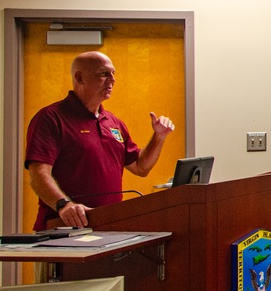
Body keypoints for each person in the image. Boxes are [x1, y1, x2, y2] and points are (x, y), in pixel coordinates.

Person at [25, 51, 175, 230]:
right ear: (79, 78)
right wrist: (64, 205)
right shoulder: (51, 118)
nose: (112, 80)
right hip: (63, 229)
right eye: (104, 74)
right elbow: (38, 175)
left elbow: (141, 167)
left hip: (107, 228)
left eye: (113, 73)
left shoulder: (114, 122)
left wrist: (159, 137)